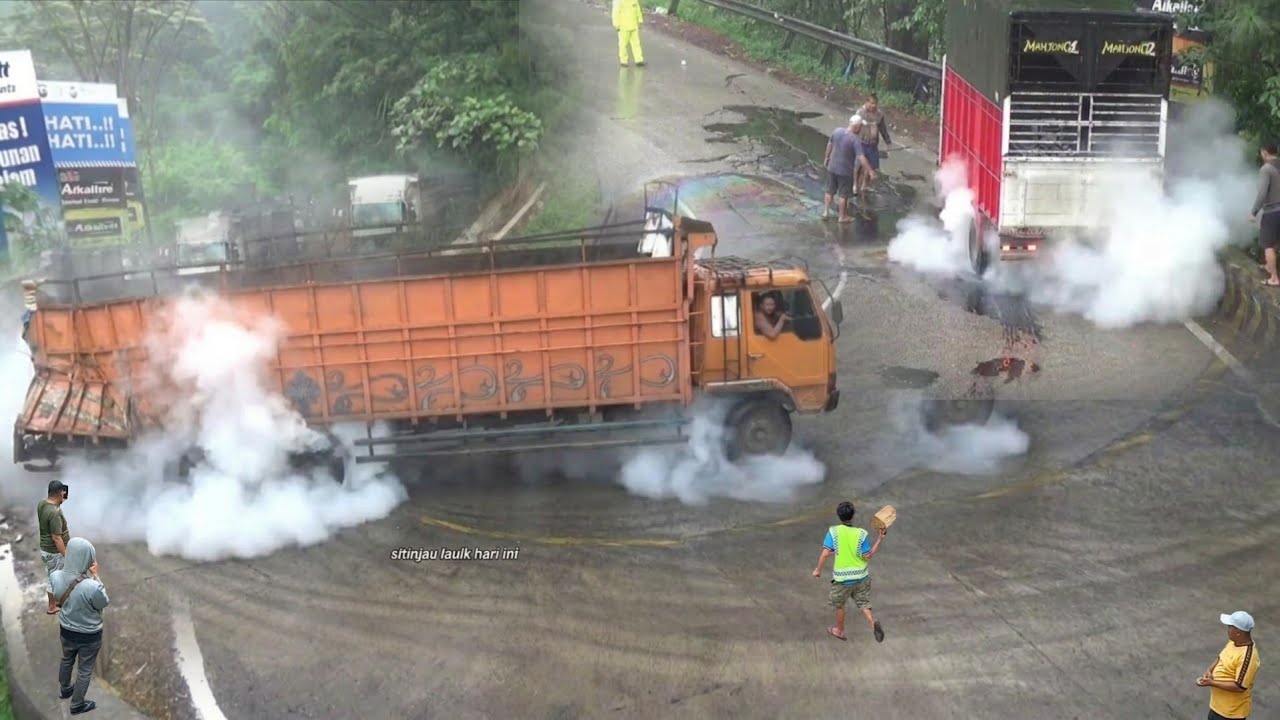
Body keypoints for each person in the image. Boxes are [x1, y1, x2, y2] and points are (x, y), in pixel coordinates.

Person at [50, 537, 109, 715]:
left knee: (66, 659)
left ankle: (65, 689)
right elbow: (103, 602)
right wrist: (96, 576)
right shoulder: (92, 587)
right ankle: (77, 704)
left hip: (66, 631)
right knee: (84, 671)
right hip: (89, 636)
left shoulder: (55, 576)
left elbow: (58, 594)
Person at [813, 501, 886, 642]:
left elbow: (825, 553)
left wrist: (818, 570)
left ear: (839, 515)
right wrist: (880, 539)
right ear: (853, 516)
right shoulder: (861, 534)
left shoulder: (833, 532)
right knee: (863, 603)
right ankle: (872, 624)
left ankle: (839, 631)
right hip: (862, 577)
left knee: (839, 604)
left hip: (842, 580)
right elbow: (868, 555)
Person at [1198, 611, 1260, 720]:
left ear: (1238, 632)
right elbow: (1220, 657)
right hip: (1217, 707)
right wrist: (1210, 670)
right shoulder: (1233, 642)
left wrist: (1211, 682)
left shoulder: (1248, 656)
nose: (1227, 630)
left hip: (1231, 714)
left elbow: (1240, 686)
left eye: (1230, 627)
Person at [821, 115, 876, 223]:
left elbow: (829, 144)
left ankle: (825, 212)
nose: (861, 129)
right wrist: (870, 171)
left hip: (832, 167)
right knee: (843, 194)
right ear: (856, 127)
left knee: (829, 190)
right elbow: (861, 157)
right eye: (860, 126)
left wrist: (827, 157)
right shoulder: (855, 140)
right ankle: (842, 217)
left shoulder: (837, 131)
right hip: (845, 172)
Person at [37, 479, 70, 615]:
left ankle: (55, 601)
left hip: (46, 549)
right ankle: (52, 606)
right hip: (54, 552)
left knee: (53, 576)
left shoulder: (42, 503)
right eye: (63, 492)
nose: (65, 494)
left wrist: (60, 501)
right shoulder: (54, 513)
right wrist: (66, 556)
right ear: (59, 493)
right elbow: (57, 538)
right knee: (54, 578)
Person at [1250, 142, 1280, 287]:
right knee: (1274, 243)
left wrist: (1253, 212)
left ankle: (1274, 278)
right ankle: (1269, 266)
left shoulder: (1266, 169)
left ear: (1264, 153)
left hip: (1273, 211)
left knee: (1268, 244)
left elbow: (1262, 193)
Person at [853, 94, 894, 196]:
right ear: (866, 102)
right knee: (858, 165)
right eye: (871, 103)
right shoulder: (860, 113)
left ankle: (864, 186)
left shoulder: (879, 115)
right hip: (861, 142)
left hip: (873, 144)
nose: (873, 106)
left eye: (875, 104)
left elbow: (882, 128)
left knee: (870, 166)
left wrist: (888, 141)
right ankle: (854, 184)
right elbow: (853, 127)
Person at [613, 0, 645, 67]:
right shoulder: (620, 2)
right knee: (623, 44)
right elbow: (616, 13)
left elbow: (638, 10)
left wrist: (640, 20)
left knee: (636, 43)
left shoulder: (634, 1)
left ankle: (639, 59)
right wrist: (616, 24)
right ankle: (623, 60)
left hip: (634, 26)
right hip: (623, 27)